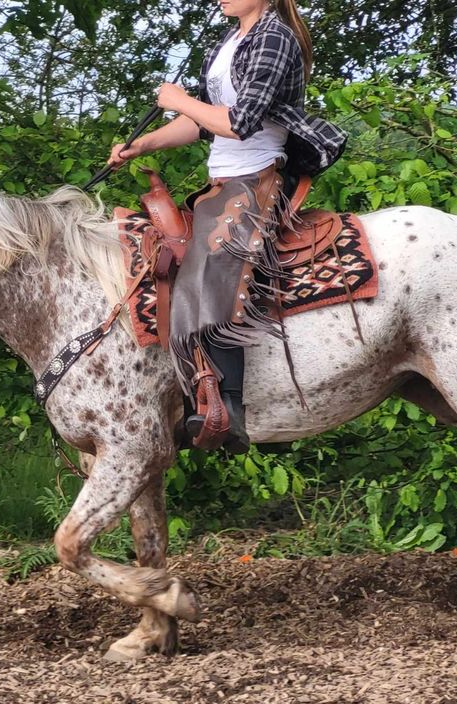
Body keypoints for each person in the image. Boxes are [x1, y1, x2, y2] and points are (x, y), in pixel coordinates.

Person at [108, 0, 346, 453]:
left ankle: (228, 409)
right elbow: (202, 125)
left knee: (211, 264)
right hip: (223, 181)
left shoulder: (275, 37)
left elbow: (239, 121)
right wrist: (142, 145)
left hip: (258, 176)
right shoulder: (230, 41)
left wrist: (179, 99)